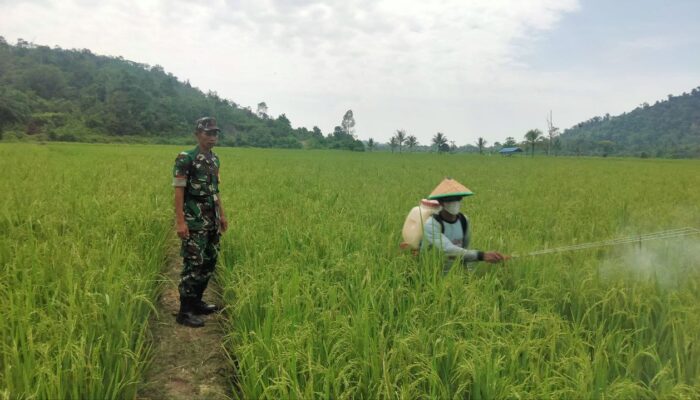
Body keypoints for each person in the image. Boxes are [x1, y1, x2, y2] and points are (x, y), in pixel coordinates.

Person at [172, 117, 229, 328]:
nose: (212, 137)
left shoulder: (214, 160)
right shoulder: (186, 158)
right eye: (208, 133)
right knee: (193, 264)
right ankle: (184, 310)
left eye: (215, 133)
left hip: (212, 220)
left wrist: (222, 215)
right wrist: (180, 222)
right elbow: (178, 191)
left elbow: (216, 191)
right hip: (194, 221)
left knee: (209, 262)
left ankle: (197, 302)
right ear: (198, 134)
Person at [422, 178, 506, 270]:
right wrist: (482, 255)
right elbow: (448, 250)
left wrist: (468, 276)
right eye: (449, 199)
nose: (454, 202)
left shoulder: (463, 220)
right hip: (433, 274)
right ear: (441, 202)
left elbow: (465, 249)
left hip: (455, 275)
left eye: (457, 198)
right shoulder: (432, 225)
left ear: (461, 198)